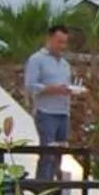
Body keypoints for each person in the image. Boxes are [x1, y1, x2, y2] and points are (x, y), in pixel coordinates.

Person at [24, 25, 77, 183]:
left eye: (64, 43)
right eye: (58, 41)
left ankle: (53, 190)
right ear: (49, 39)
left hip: (63, 112)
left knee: (59, 154)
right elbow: (30, 85)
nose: (61, 46)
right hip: (46, 112)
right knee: (47, 153)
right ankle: (41, 191)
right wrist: (50, 89)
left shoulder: (65, 64)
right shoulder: (36, 60)